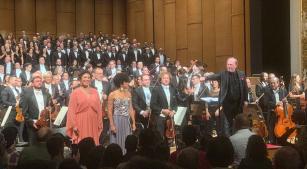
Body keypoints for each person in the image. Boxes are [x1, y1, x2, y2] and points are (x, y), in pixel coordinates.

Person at [206, 57, 248, 136]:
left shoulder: (241, 74)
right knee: (226, 125)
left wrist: (246, 100)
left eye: (231, 64)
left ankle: (236, 139)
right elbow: (215, 76)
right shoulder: (223, 74)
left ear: (236, 65)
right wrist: (205, 78)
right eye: (227, 64)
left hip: (238, 104)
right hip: (227, 105)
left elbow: (245, 87)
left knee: (237, 124)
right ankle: (228, 141)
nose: (228, 66)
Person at [66, 71, 104, 145]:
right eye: (85, 77)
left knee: (93, 143)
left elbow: (99, 109)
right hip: (80, 122)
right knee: (82, 143)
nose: (87, 79)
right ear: (80, 79)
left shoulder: (95, 91)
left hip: (93, 122)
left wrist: (99, 122)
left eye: (89, 77)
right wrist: (74, 125)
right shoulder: (75, 92)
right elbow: (71, 110)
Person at [107, 73, 136, 152]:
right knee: (116, 141)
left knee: (126, 140)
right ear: (121, 83)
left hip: (126, 121)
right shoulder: (112, 94)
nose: (128, 83)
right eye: (126, 82)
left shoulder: (129, 94)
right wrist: (112, 125)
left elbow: (130, 108)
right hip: (116, 120)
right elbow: (109, 111)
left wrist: (133, 122)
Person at [20, 76, 51, 144]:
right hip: (33, 124)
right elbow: (24, 111)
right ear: (32, 83)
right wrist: (31, 122)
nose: (39, 82)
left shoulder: (46, 93)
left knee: (45, 145)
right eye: (37, 81)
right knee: (33, 144)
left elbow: (49, 105)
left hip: (44, 123)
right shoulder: (27, 95)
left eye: (40, 81)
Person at [150, 71, 178, 137]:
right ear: (160, 79)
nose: (166, 79)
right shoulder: (156, 89)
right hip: (160, 118)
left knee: (170, 138)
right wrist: (162, 110)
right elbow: (152, 105)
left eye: (167, 78)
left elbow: (175, 104)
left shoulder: (173, 89)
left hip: (170, 118)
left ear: (170, 79)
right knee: (160, 137)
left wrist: (173, 111)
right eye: (164, 78)